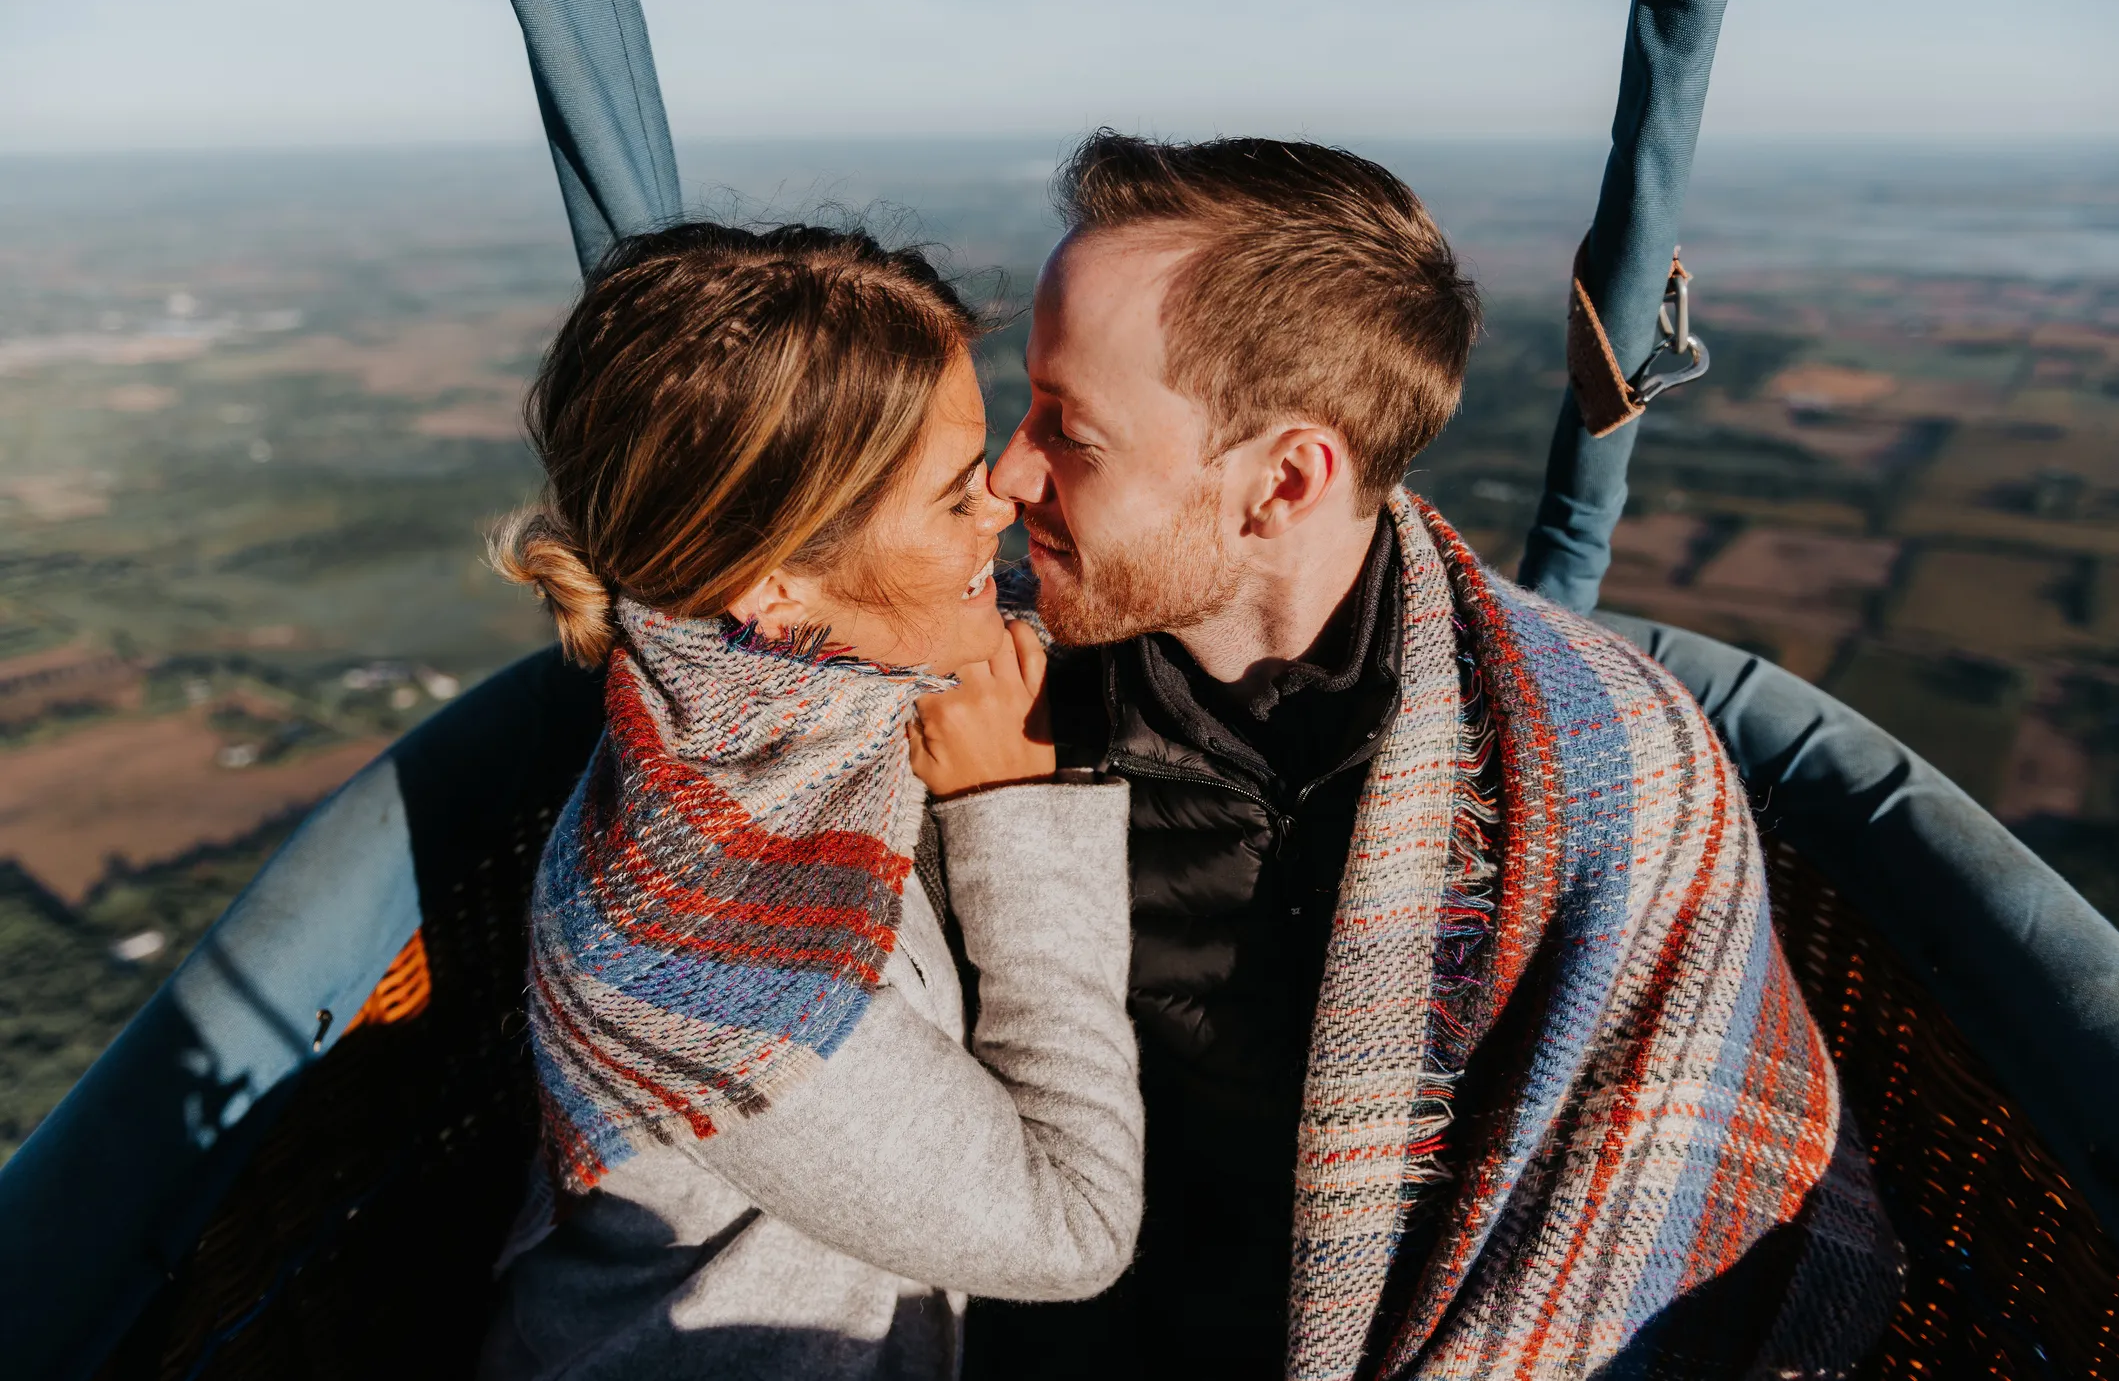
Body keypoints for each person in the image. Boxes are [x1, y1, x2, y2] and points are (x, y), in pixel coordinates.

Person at [966, 133, 1904, 1381]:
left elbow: (1629, 1232)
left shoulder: (1607, 765)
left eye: (1067, 429)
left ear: (1282, 482)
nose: (1004, 471)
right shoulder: (980, 697)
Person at [476, 220, 1142, 1381]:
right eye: (951, 498)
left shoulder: (783, 702)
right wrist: (1008, 811)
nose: (996, 504)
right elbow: (1069, 1228)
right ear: (775, 585)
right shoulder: (703, 950)